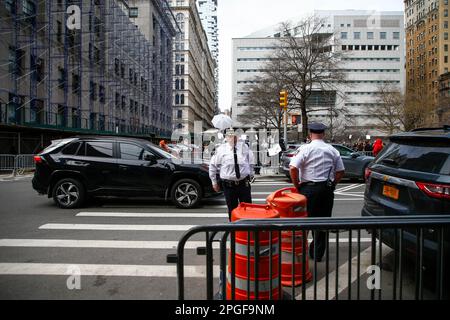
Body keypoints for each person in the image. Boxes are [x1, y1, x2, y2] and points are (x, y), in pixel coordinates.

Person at [289, 123, 345, 261]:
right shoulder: (332, 150)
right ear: (323, 134)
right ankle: (317, 254)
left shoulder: (305, 149)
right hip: (326, 189)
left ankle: (300, 251)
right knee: (323, 221)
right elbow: (341, 171)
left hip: (308, 189)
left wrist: (297, 186)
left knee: (304, 221)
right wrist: (332, 184)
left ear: (310, 134)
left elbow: (293, 168)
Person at [209, 128, 255, 220]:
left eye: (234, 136)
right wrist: (214, 182)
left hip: (244, 185)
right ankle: (234, 232)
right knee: (232, 211)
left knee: (247, 210)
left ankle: (247, 232)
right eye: (230, 136)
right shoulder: (221, 150)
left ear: (237, 137)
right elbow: (212, 166)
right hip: (229, 186)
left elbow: (251, 162)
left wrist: (251, 174)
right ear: (226, 138)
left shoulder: (244, 147)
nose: (232, 138)